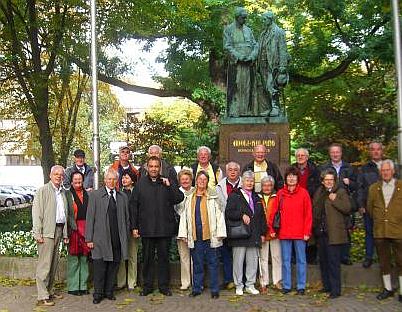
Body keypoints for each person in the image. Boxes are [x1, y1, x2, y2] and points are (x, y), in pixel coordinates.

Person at [130, 156, 184, 296]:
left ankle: (164, 286)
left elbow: (179, 198)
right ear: (147, 168)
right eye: (151, 166)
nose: (154, 169)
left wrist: (170, 185)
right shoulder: (140, 184)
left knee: (163, 259)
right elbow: (134, 206)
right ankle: (147, 286)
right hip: (147, 229)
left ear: (160, 168)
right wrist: (134, 227)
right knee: (147, 259)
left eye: (156, 166)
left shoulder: (166, 182)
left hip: (164, 228)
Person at [178, 171, 226, 299]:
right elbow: (184, 216)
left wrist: (221, 233)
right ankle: (197, 288)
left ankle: (214, 289)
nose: (202, 181)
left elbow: (220, 215)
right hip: (195, 236)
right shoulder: (189, 197)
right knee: (197, 263)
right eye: (200, 179)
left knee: (213, 263)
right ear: (196, 180)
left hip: (211, 235)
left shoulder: (213, 196)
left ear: (207, 181)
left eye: (205, 179)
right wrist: (183, 234)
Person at [85, 168, 130, 304]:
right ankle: (98, 294)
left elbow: (127, 219)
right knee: (100, 267)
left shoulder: (122, 197)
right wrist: (89, 239)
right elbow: (90, 218)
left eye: (114, 179)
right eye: (109, 179)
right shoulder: (95, 195)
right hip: (100, 239)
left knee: (113, 266)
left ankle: (109, 291)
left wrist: (125, 236)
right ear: (104, 180)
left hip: (117, 237)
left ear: (117, 181)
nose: (111, 181)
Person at [269, 166, 312, 295]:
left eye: (294, 176)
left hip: (300, 233)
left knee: (301, 260)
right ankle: (286, 285)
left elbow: (308, 214)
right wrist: (271, 228)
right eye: (289, 176)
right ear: (286, 178)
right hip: (285, 232)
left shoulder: (304, 193)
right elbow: (273, 213)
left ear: (297, 178)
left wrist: (307, 232)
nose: (291, 178)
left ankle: (301, 286)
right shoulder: (281, 193)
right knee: (286, 261)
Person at [32, 165, 69, 307]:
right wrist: (37, 233)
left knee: (53, 264)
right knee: (44, 265)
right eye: (56, 174)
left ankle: (49, 290)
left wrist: (65, 233)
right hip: (46, 232)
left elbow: (64, 214)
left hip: (58, 230)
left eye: (61, 174)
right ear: (50, 175)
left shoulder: (62, 192)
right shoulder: (43, 191)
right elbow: (37, 213)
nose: (59, 176)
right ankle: (42, 296)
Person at [225, 170, 267, 296]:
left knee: (252, 261)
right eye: (247, 181)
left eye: (252, 181)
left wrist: (263, 233)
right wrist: (241, 215)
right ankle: (239, 285)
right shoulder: (234, 195)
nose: (249, 183)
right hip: (240, 234)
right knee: (238, 261)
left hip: (254, 234)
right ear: (242, 182)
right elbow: (229, 212)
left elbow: (262, 217)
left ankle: (250, 284)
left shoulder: (256, 197)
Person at [367, 160, 402, 303]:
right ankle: (387, 288)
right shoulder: (374, 188)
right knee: (384, 261)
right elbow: (370, 208)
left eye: (388, 170)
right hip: (380, 231)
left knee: (401, 261)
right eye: (383, 170)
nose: (385, 172)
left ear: (393, 171)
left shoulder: (400, 186)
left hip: (398, 230)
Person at [313, 169, 351, 299]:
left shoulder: (340, 192)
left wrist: (335, 200)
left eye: (331, 180)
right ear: (323, 181)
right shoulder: (319, 192)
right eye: (326, 180)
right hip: (321, 232)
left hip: (334, 233)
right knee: (323, 261)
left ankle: (336, 289)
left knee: (333, 262)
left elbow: (347, 208)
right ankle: (327, 286)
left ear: (334, 181)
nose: (328, 182)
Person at [319, 143, 357, 265]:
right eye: (333, 152)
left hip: (343, 200)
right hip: (329, 200)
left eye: (337, 152)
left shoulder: (349, 167)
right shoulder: (324, 167)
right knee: (330, 230)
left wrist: (350, 182)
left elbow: (357, 185)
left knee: (345, 229)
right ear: (330, 154)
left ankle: (345, 256)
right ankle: (331, 257)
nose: (335, 154)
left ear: (341, 153)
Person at [223, 7, 258, 117]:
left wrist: (252, 56)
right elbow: (227, 46)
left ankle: (247, 111)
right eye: (243, 18)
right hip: (236, 64)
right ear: (237, 17)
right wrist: (239, 56)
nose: (245, 20)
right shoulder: (229, 29)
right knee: (236, 87)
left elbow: (255, 45)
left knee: (248, 87)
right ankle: (235, 111)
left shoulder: (248, 30)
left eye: (246, 18)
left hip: (248, 64)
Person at [255, 11, 289, 117]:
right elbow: (258, 48)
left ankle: (276, 107)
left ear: (270, 19)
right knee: (265, 86)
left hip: (273, 64)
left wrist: (283, 65)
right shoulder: (263, 34)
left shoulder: (279, 32)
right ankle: (270, 107)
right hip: (262, 64)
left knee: (271, 86)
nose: (263, 21)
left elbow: (283, 49)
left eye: (265, 19)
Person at [357, 142, 383, 268]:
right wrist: (360, 205)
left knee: (386, 233)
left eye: (378, 149)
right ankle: (369, 257)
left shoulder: (390, 166)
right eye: (373, 149)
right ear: (370, 152)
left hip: (387, 207)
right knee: (369, 232)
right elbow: (360, 188)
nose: (376, 152)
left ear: (382, 151)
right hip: (369, 206)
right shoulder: (364, 168)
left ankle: (385, 258)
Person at [216, 161, 242, 290]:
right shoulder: (219, 187)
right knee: (225, 253)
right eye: (230, 170)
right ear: (226, 172)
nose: (232, 172)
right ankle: (228, 280)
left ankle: (240, 280)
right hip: (224, 225)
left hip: (240, 225)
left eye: (235, 170)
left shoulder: (245, 185)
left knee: (239, 254)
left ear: (239, 172)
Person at [293, 148, 321, 264]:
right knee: (296, 230)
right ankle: (295, 257)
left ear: (307, 157)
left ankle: (311, 257)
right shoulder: (292, 169)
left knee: (310, 230)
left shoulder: (315, 170)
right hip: (295, 204)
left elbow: (319, 186)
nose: (300, 157)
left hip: (311, 202)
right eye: (298, 155)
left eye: (302, 155)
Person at [66, 171, 90, 296]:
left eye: (79, 180)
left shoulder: (88, 194)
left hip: (86, 229)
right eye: (75, 180)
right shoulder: (67, 194)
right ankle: (73, 286)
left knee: (85, 259)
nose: (77, 182)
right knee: (74, 258)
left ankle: (83, 285)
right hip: (74, 229)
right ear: (71, 181)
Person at [117, 170, 139, 290]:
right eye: (123, 178)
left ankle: (132, 281)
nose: (124, 180)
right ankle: (121, 282)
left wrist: (136, 227)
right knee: (121, 255)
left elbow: (138, 211)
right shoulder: (118, 193)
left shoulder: (136, 192)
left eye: (127, 177)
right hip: (121, 229)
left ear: (132, 179)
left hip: (133, 228)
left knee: (132, 256)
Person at [259, 176, 282, 293]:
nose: (267, 187)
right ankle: (264, 282)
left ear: (272, 186)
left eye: (269, 185)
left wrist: (274, 229)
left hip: (274, 233)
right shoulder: (257, 198)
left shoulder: (277, 197)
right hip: (262, 233)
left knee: (276, 257)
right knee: (262, 258)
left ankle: (277, 281)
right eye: (264, 185)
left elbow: (279, 215)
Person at [175, 168, 195, 291]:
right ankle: (186, 282)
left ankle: (196, 281)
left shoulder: (196, 191)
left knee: (196, 257)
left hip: (195, 229)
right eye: (182, 179)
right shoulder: (176, 193)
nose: (185, 181)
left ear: (191, 180)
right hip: (181, 229)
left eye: (187, 179)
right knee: (184, 257)